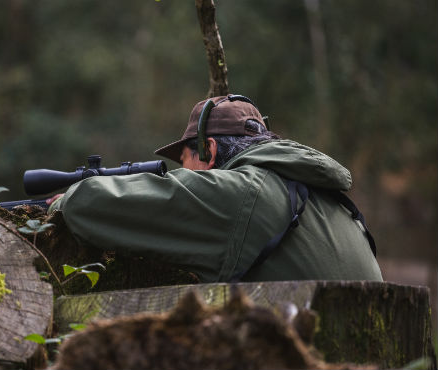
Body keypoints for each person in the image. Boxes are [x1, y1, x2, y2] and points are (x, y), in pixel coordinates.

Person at [48, 94, 382, 283]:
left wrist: (64, 200)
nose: (185, 173)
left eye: (185, 160)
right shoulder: (333, 201)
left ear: (208, 150)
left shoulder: (240, 195)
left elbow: (89, 205)